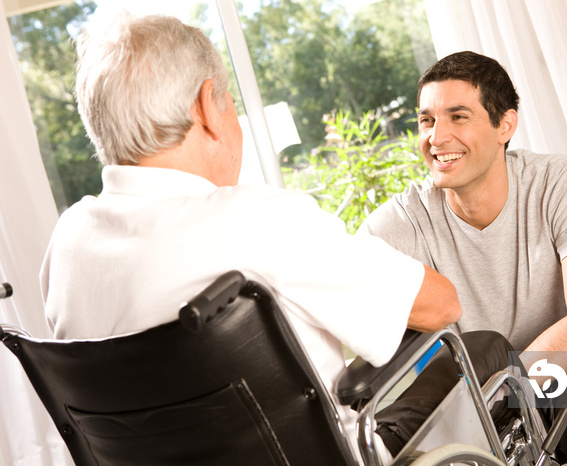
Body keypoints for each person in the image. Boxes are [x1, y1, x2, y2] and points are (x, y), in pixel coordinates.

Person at [39, 14, 516, 463]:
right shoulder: (254, 219)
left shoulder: (67, 247)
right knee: (480, 347)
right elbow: (442, 306)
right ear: (209, 106)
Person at [361, 51, 567, 466]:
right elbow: (344, 305)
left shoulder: (560, 182)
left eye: (458, 117)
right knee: (474, 357)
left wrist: (510, 385)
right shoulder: (400, 220)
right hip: (485, 382)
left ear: (505, 124)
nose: (436, 137)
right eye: (427, 120)